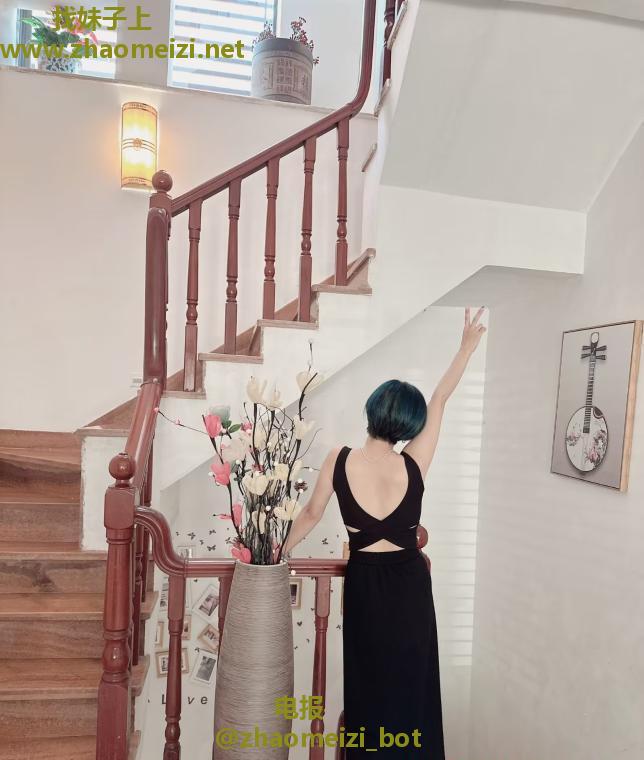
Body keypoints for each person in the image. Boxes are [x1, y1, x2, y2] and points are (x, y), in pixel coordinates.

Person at [283, 307, 487, 758]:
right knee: (412, 687)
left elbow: (311, 514)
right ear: (409, 426)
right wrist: (467, 347)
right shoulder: (414, 463)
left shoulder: (338, 458)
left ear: (371, 411)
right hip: (410, 585)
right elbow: (440, 399)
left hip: (366, 586)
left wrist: (274, 552)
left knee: (369, 686)